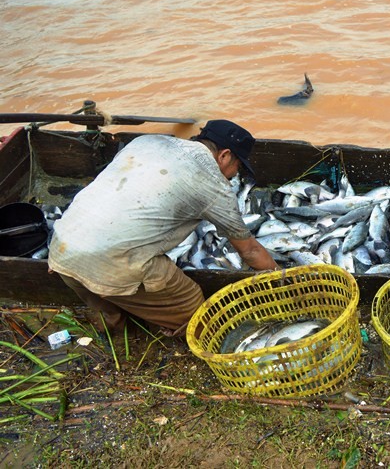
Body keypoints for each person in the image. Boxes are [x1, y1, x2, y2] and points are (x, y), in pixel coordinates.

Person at [48, 120, 279, 336]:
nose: (234, 176)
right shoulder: (214, 185)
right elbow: (249, 251)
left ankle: (113, 325)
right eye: (238, 167)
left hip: (62, 250)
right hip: (111, 264)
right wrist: (281, 279)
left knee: (104, 295)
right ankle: (178, 331)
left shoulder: (145, 142)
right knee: (193, 303)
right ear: (225, 156)